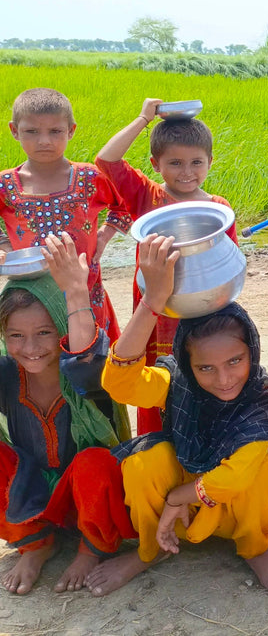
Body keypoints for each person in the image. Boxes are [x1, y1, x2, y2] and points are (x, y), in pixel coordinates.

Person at [84, 235, 268, 596]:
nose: (224, 379)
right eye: (205, 368)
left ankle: (255, 547)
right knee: (142, 464)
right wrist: (151, 302)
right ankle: (152, 551)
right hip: (182, 509)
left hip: (233, 504)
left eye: (235, 361)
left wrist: (179, 496)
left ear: (252, 352)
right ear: (186, 363)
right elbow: (120, 384)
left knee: (256, 472)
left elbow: (232, 481)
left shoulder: (260, 395)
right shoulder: (176, 381)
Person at [0, 232, 134, 595]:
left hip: (92, 498)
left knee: (95, 461)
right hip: (36, 494)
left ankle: (92, 547)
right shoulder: (7, 375)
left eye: (44, 332)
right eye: (15, 335)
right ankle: (36, 542)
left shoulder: (85, 374)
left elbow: (85, 354)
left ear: (62, 325)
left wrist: (76, 291)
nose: (30, 348)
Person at [96, 98, 237, 435]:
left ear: (210, 162)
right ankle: (157, 439)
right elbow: (106, 160)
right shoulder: (147, 196)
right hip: (155, 306)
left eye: (196, 162)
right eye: (174, 163)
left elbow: (228, 263)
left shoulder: (219, 208)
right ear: (155, 164)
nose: (186, 172)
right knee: (156, 376)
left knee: (202, 367)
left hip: (203, 303)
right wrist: (144, 117)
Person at [2, 88, 133, 341]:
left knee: (89, 360)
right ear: (14, 130)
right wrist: (5, 247)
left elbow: (127, 201)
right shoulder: (5, 184)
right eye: (32, 131)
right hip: (31, 293)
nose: (44, 141)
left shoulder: (90, 177)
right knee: (36, 354)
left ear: (71, 131)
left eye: (55, 131)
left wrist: (104, 237)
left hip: (86, 290)